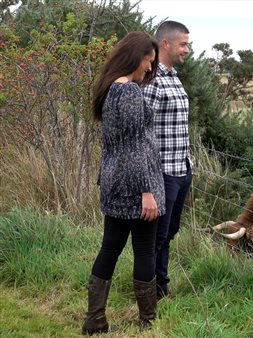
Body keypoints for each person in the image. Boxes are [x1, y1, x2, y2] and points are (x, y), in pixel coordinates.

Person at [82, 31, 165, 335]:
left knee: (110, 249)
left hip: (114, 181)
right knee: (144, 251)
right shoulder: (129, 93)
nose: (149, 67)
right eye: (149, 61)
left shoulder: (109, 89)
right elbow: (133, 147)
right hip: (134, 185)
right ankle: (148, 322)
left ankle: (95, 319)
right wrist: (147, 191)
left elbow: (116, 145)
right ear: (137, 56)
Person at [142, 21, 192, 300]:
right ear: (165, 44)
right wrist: (147, 180)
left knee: (170, 231)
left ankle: (161, 285)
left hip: (181, 168)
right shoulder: (153, 80)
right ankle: (151, 291)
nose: (187, 49)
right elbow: (142, 132)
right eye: (183, 44)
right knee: (157, 236)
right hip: (162, 172)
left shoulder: (173, 77)